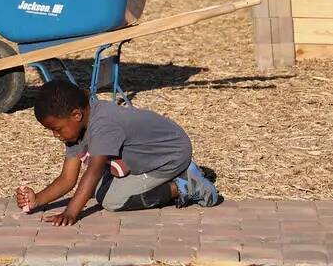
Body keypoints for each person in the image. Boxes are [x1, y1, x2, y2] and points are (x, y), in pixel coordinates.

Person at [16, 80, 219, 226]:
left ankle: (186, 185)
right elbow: (68, 178)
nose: (55, 135)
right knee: (94, 190)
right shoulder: (76, 128)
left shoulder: (103, 124)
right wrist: (38, 200)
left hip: (169, 155)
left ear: (76, 115)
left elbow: (93, 172)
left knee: (112, 200)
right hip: (149, 154)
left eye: (57, 129)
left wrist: (71, 212)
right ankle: (184, 174)